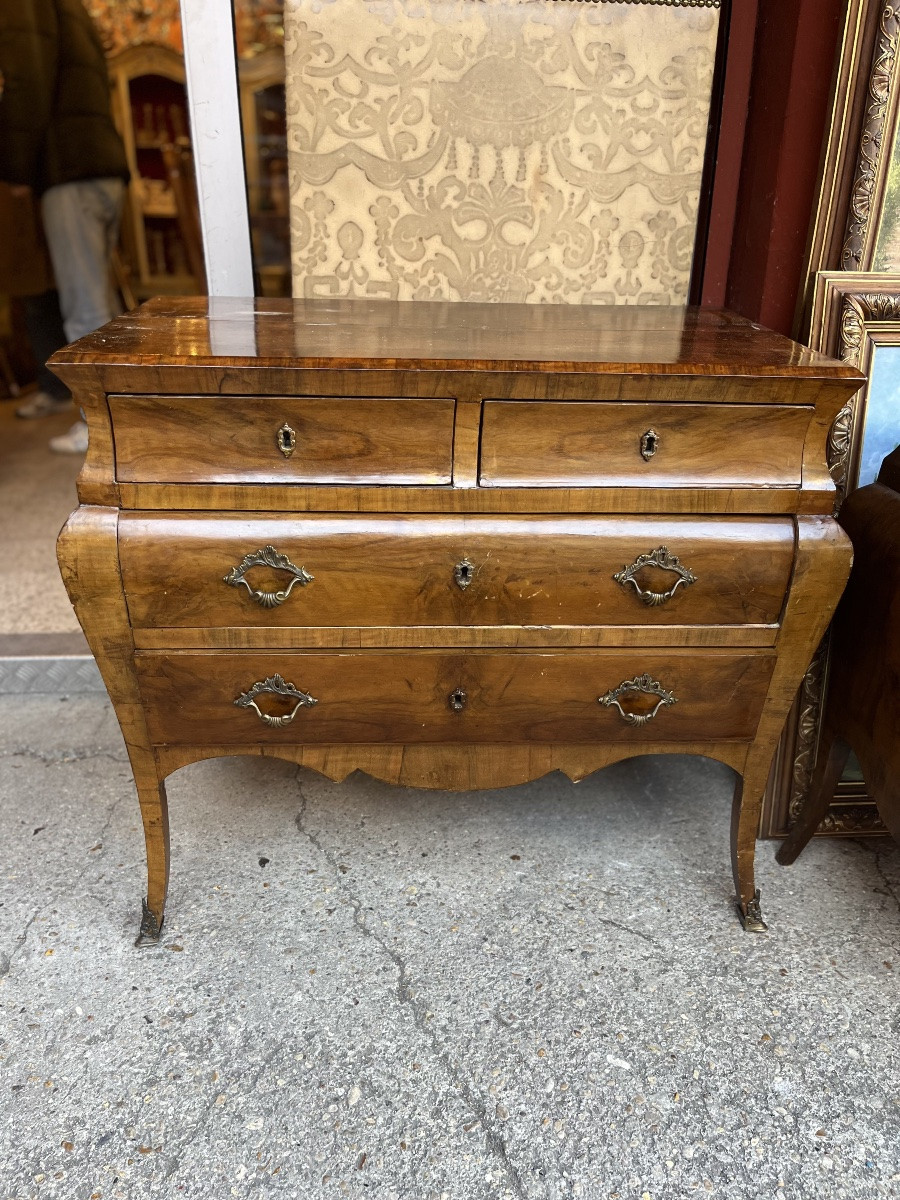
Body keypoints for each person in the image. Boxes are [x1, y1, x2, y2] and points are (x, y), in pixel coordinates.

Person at [0, 0, 129, 452]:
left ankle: (102, 429)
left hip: (68, 168)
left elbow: (26, 81)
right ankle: (121, 420)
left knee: (86, 311)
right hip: (103, 165)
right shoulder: (74, 8)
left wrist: (16, 167)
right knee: (104, 309)